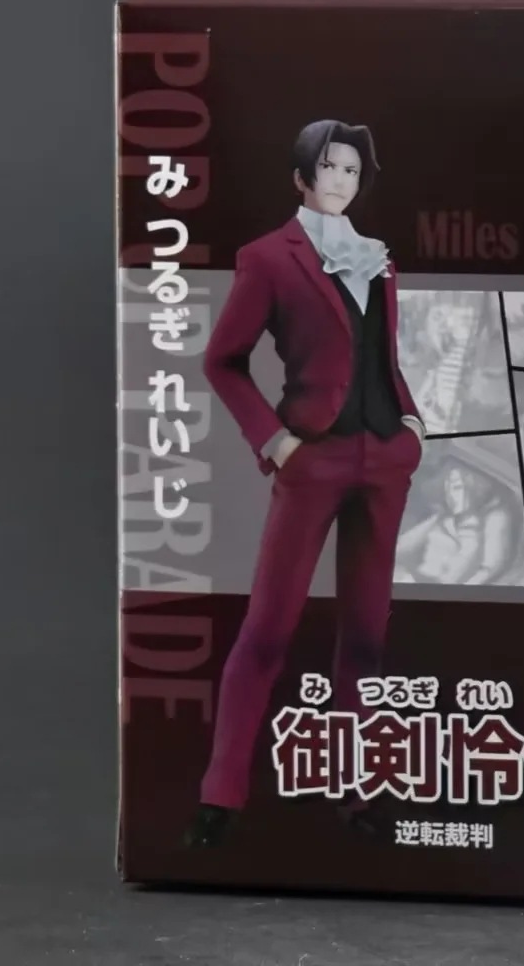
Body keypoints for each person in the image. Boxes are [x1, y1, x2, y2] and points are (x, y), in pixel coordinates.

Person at [185, 119, 425, 847]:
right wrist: (276, 440)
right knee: (268, 629)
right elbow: (222, 360)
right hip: (311, 458)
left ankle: (357, 793)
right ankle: (220, 795)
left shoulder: (377, 258)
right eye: (329, 167)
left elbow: (381, 356)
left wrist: (412, 422)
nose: (341, 180)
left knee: (367, 637)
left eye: (352, 169)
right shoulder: (268, 258)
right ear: (301, 176)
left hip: (386, 460)